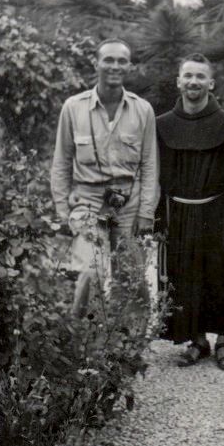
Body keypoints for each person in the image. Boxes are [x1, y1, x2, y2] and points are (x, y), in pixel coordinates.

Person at [51, 38, 159, 317]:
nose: (115, 66)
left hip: (128, 202)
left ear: (129, 66)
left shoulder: (142, 110)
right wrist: (62, 209)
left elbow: (150, 165)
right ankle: (81, 334)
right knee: (91, 271)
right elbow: (61, 162)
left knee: (131, 276)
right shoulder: (73, 107)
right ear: (96, 63)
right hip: (87, 201)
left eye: (122, 61)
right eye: (108, 59)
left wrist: (146, 212)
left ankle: (129, 340)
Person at [156, 53, 224, 369]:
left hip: (217, 211)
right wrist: (158, 219)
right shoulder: (161, 125)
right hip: (179, 213)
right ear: (178, 82)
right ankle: (197, 341)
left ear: (211, 83)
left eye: (200, 76)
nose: (193, 81)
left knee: (221, 274)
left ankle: (223, 341)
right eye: (188, 76)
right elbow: (156, 176)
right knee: (184, 275)